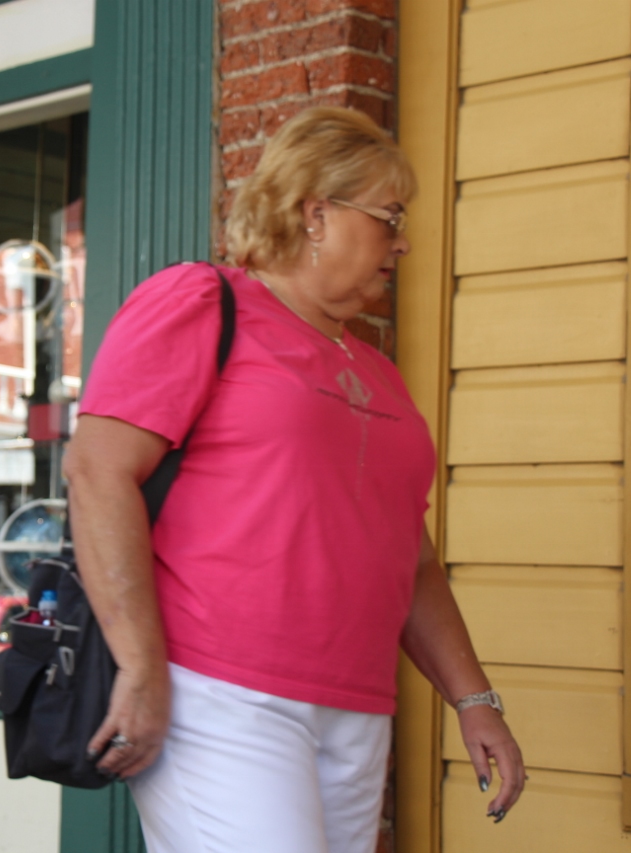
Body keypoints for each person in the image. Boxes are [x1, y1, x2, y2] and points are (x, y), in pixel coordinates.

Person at [63, 107, 524, 853]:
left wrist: (473, 699)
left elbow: (413, 558)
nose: (402, 242)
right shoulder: (204, 303)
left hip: (354, 704)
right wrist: (142, 664)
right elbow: (96, 470)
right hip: (220, 692)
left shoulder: (377, 374)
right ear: (317, 212)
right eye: (389, 216)